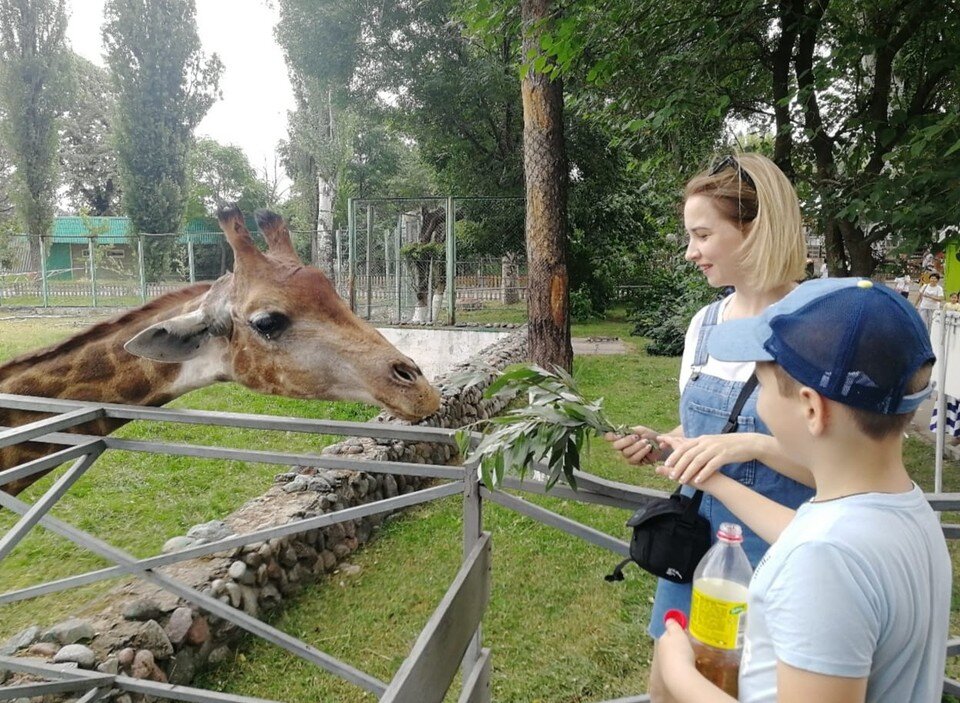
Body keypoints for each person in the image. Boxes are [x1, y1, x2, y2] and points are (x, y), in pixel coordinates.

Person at [654, 277, 951, 703]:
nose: (757, 401)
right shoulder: (900, 510)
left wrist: (680, 674)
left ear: (811, 408)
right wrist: (713, 480)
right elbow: (805, 532)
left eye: (760, 382)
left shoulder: (823, 561)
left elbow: (818, 554)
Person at [605, 153, 815, 702]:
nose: (690, 251)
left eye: (702, 234)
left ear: (757, 229)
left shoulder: (816, 326)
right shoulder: (706, 325)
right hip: (695, 554)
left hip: (778, 557)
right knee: (671, 687)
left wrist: (752, 446)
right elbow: (703, 424)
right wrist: (663, 440)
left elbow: (839, 470)